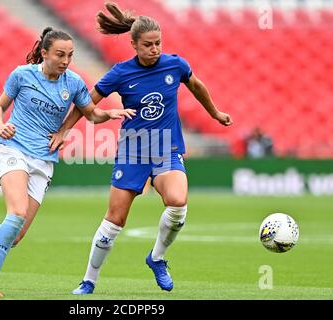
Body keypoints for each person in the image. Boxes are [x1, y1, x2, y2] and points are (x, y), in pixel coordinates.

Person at [50, 2, 233, 295]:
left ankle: (157, 258)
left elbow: (196, 86)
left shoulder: (176, 65)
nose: (155, 49)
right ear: (134, 45)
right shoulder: (121, 73)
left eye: (158, 43)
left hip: (166, 148)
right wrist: (64, 131)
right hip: (132, 151)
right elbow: (88, 101)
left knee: (178, 201)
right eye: (148, 44)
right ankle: (89, 280)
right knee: (115, 220)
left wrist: (214, 113)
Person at [0, 27, 135, 298]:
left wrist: (110, 113)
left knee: (16, 236)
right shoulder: (22, 75)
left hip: (44, 159)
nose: (66, 60)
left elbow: (90, 113)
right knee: (17, 213)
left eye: (70, 55)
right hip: (14, 148)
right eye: (60, 54)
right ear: (44, 53)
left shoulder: (74, 83)